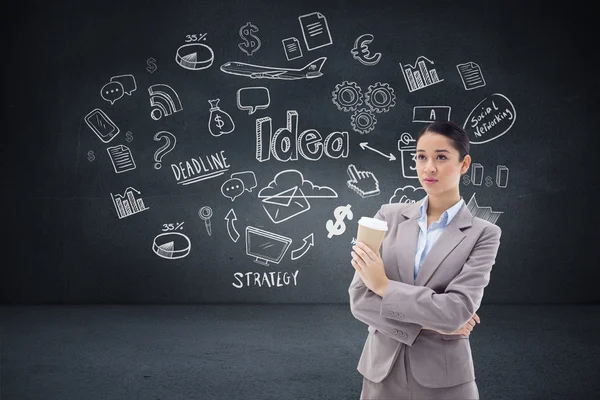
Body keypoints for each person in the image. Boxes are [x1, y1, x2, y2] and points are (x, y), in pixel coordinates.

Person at [348, 120, 502, 399]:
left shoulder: (484, 234)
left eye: (441, 157)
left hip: (447, 380)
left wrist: (383, 286)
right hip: (380, 375)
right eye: (421, 157)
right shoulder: (387, 217)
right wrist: (435, 321)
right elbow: (360, 299)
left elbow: (456, 310)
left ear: (464, 164)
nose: (428, 167)